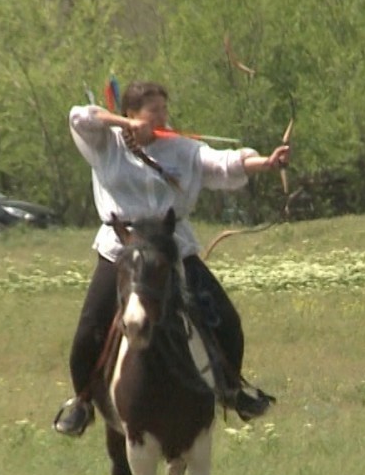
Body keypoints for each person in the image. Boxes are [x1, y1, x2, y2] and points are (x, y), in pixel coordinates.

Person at [53, 80, 290, 437]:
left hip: (170, 246)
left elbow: (223, 164)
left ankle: (232, 389)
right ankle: (82, 401)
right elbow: (79, 117)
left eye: (165, 109)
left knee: (225, 319)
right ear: (132, 113)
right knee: (90, 328)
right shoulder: (105, 144)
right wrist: (124, 125)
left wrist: (266, 162)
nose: (163, 117)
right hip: (123, 248)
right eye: (153, 111)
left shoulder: (181, 148)